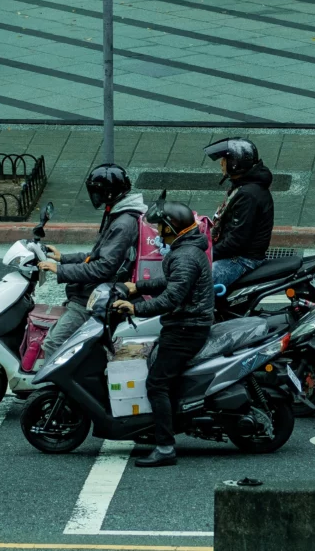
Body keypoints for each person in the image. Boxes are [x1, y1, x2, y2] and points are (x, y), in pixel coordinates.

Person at [113, 200, 214, 467]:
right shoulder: (187, 250)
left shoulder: (184, 256)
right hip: (185, 324)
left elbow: (171, 297)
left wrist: (135, 308)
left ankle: (165, 447)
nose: (157, 232)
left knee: (157, 383)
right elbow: (171, 282)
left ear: (171, 228)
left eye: (160, 226)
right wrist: (137, 286)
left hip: (186, 329)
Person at [38, 164, 147, 359]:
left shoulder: (123, 223)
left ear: (109, 193)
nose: (94, 196)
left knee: (54, 344)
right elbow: (98, 254)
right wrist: (64, 258)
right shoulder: (118, 214)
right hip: (96, 289)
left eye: (97, 191)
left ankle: (50, 390)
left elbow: (103, 268)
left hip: (93, 296)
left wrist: (60, 270)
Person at [204, 138, 274, 287]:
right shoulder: (244, 185)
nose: (221, 163)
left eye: (224, 160)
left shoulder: (248, 195)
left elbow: (235, 241)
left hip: (242, 260)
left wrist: (206, 253)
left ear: (235, 164)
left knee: (198, 283)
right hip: (235, 254)